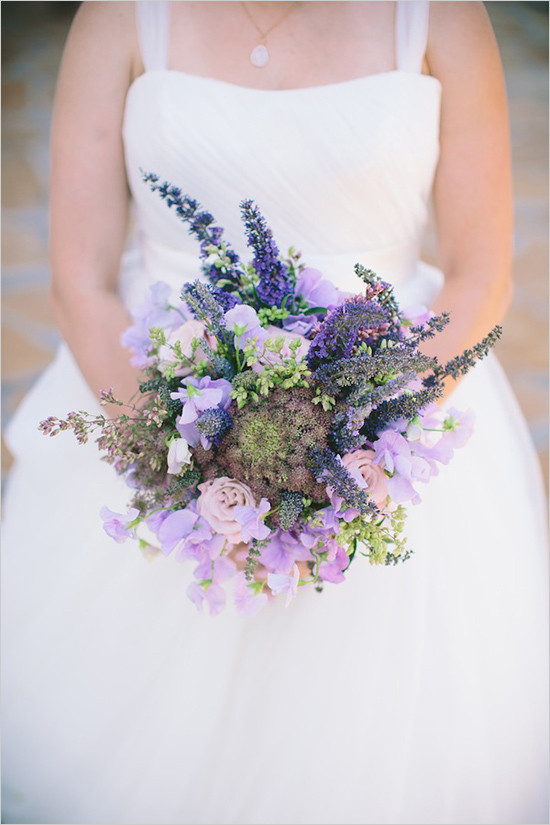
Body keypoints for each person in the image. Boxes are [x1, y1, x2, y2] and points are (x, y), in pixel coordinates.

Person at [2, 2, 548, 823]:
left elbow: (482, 276)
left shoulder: (439, 17)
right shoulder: (120, 16)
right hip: (157, 396)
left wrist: (363, 437)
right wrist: (176, 457)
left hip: (389, 406)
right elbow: (81, 281)